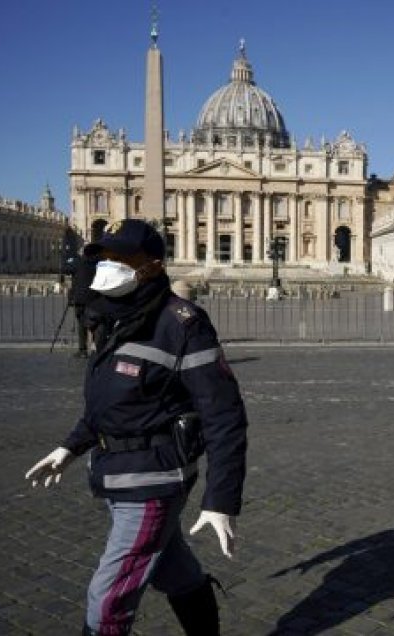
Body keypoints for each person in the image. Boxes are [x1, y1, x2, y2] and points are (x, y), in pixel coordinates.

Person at [25, 219, 248, 636]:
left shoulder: (182, 324)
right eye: (104, 257)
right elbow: (110, 403)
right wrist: (70, 447)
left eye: (121, 259)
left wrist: (220, 499)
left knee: (107, 600)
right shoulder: (112, 318)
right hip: (115, 472)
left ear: (152, 266)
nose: (108, 266)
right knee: (174, 572)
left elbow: (224, 415)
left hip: (153, 482)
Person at [66, 254, 99, 357]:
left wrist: (73, 258)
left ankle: (82, 350)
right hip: (94, 297)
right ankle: (96, 348)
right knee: (95, 323)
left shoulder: (78, 263)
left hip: (80, 297)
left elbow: (66, 269)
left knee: (82, 324)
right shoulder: (98, 263)